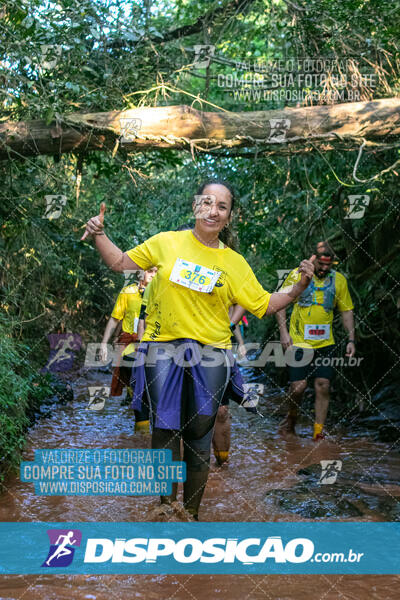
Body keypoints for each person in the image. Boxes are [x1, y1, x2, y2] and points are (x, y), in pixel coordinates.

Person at [81, 179, 315, 520]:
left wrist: (298, 288)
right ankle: (164, 510)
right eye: (208, 202)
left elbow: (264, 304)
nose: (213, 210)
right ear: (196, 206)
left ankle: (189, 514)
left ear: (229, 216)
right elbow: (120, 263)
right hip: (163, 348)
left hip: (212, 354)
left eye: (222, 206)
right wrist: (100, 234)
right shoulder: (166, 243)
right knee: (164, 430)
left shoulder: (234, 263)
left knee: (199, 433)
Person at [276, 241, 355, 441]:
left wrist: (351, 339)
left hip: (326, 343)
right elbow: (280, 303)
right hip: (299, 342)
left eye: (329, 265)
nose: (325, 268)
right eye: (321, 264)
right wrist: (284, 333)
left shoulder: (339, 281)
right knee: (298, 387)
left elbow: (346, 311)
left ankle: (318, 432)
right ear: (314, 259)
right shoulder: (296, 275)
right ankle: (291, 421)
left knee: (323, 384)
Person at [100, 268, 156, 430]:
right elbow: (115, 319)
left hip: (156, 346)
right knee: (138, 386)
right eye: (150, 271)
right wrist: (104, 343)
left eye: (157, 271)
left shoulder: (163, 293)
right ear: (140, 273)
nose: (153, 274)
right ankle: (142, 433)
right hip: (130, 346)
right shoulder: (128, 292)